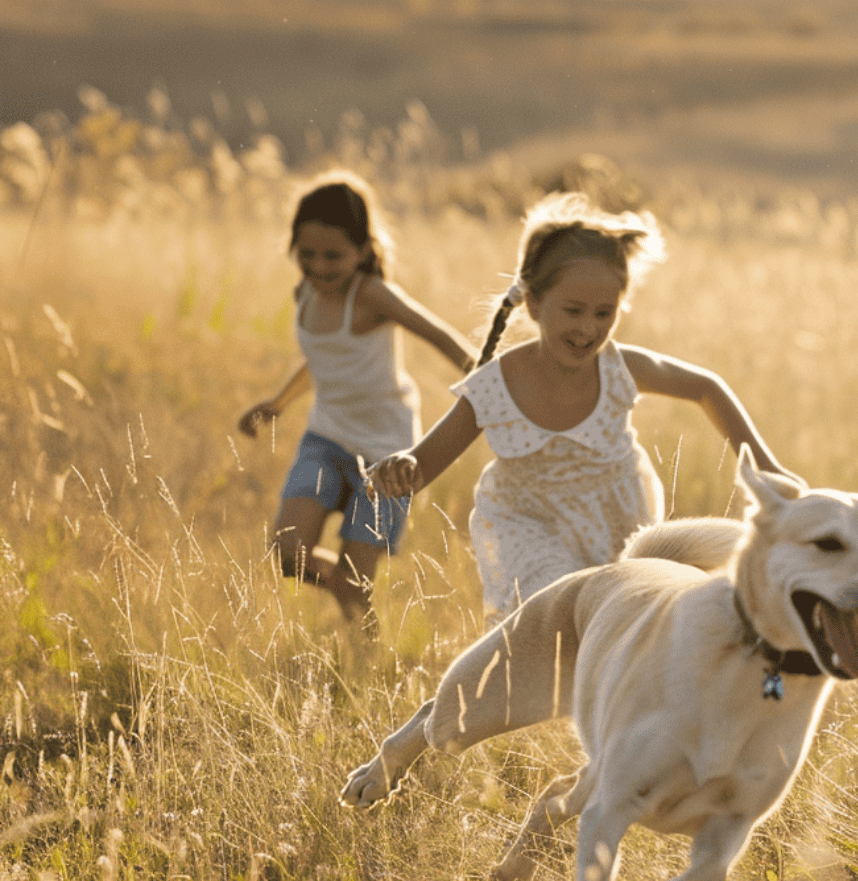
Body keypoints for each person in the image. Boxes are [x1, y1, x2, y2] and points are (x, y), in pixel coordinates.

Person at [368, 191, 794, 625]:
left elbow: (707, 388)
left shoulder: (619, 369)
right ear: (534, 304)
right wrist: (399, 470)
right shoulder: (496, 387)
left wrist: (767, 467)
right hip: (531, 531)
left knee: (623, 628)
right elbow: (422, 465)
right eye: (573, 311)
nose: (588, 328)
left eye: (604, 313)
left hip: (618, 522)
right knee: (558, 617)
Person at [238, 174, 476, 625]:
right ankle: (349, 595)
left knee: (356, 579)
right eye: (306, 254)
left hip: (388, 454)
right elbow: (324, 360)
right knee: (288, 552)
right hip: (325, 438)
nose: (318, 267)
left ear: (363, 250)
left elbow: (437, 334)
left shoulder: (371, 296)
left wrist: (490, 381)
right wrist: (278, 402)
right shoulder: (305, 292)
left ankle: (359, 623)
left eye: (333, 256)